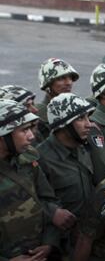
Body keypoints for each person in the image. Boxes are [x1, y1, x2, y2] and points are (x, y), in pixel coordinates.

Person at [38, 93, 105, 253]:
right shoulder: (41, 159)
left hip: (91, 236)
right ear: (63, 124)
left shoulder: (85, 146)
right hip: (63, 245)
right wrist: (52, 214)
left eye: (88, 117)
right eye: (81, 119)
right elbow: (33, 201)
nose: (89, 124)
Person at [0, 99, 60, 260]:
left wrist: (49, 243)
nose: (31, 136)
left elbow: (48, 200)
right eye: (24, 130)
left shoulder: (27, 159)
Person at [35, 58, 79, 144]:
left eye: (70, 78)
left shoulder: (76, 108)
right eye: (61, 78)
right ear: (47, 85)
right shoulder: (39, 114)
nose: (69, 82)